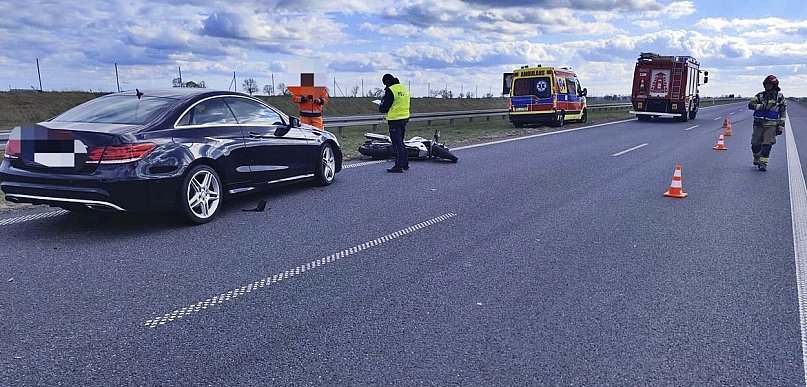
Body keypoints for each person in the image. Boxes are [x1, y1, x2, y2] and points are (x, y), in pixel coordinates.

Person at [748, 75, 787, 171]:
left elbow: (782, 111)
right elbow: (750, 105)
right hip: (758, 124)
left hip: (771, 126)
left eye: (769, 84)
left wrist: (781, 125)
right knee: (755, 145)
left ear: (774, 85)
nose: (767, 86)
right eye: (765, 84)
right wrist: (762, 106)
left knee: (767, 145)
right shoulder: (760, 96)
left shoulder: (780, 97)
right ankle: (757, 158)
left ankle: (763, 164)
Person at [378, 73, 411, 173]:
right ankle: (405, 163)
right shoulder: (404, 88)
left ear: (387, 81)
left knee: (397, 143)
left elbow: (384, 108)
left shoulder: (391, 90)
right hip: (404, 117)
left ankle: (398, 166)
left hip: (395, 119)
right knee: (401, 140)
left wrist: (381, 105)